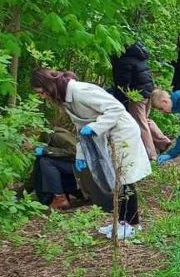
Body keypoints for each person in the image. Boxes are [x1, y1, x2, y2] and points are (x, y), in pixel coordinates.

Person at [31, 68, 152, 239]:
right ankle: (121, 222)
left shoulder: (80, 91)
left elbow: (116, 108)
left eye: (41, 92)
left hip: (121, 132)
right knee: (114, 180)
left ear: (49, 85)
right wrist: (81, 155)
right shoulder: (67, 98)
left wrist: (95, 127)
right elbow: (81, 129)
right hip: (105, 135)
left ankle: (132, 224)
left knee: (124, 177)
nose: (42, 96)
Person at [111, 40, 172, 159]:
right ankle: (162, 141)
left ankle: (151, 155)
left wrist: (119, 99)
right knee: (144, 120)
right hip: (147, 92)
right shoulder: (138, 56)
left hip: (137, 95)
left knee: (140, 123)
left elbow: (123, 83)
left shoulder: (124, 60)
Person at [24, 108, 83, 210]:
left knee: (45, 161)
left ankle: (60, 198)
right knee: (42, 161)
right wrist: (21, 193)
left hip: (81, 170)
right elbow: (34, 175)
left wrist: (45, 150)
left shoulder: (56, 135)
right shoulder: (45, 142)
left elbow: (75, 151)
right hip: (71, 172)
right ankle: (54, 198)